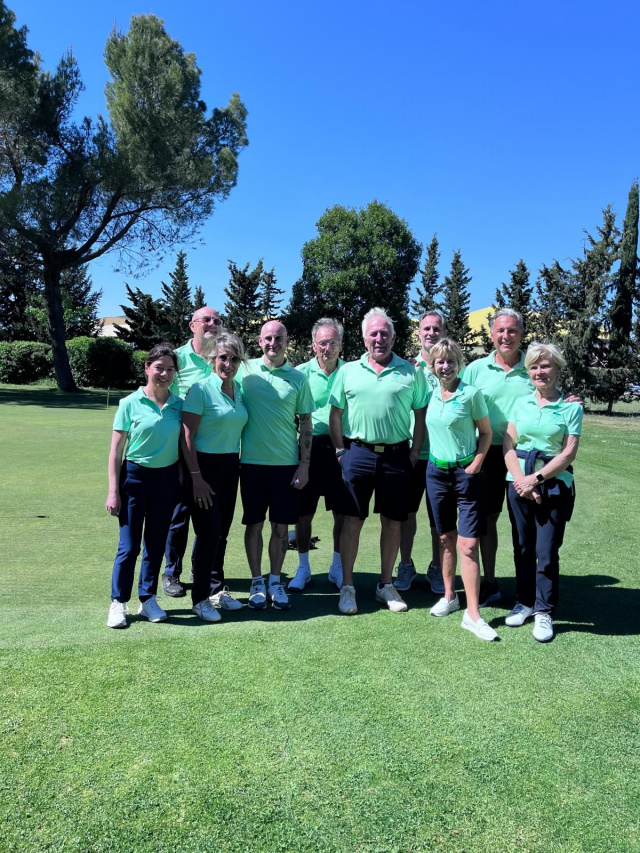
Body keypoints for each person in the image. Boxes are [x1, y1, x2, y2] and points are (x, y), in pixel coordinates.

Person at [329, 308, 428, 615]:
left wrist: (413, 454)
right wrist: (340, 452)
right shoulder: (347, 371)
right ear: (364, 337)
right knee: (352, 522)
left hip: (397, 456)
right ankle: (347, 586)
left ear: (394, 337)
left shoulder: (411, 372)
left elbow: (421, 416)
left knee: (393, 522)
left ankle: (386, 584)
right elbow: (335, 414)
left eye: (385, 333)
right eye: (373, 333)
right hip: (357, 453)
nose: (379, 338)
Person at [503, 343, 582, 642]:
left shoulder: (571, 407)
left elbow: (568, 453)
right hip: (519, 483)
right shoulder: (521, 404)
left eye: (546, 366)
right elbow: (508, 445)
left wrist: (535, 479)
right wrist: (521, 481)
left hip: (554, 485)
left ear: (557, 369)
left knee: (546, 551)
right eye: (534, 366)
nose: (540, 371)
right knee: (522, 547)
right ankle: (524, 601)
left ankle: (544, 610)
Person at [239, 320, 315, 611]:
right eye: (268, 338)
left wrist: (304, 465)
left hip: (286, 465)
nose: (273, 343)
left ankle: (275, 581)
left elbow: (306, 425)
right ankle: (256, 581)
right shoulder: (245, 373)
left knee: (281, 528)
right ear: (260, 341)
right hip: (251, 465)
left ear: (287, 341)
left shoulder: (297, 378)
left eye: (279, 338)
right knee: (254, 525)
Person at [425, 338, 498, 641]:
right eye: (440, 361)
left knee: (467, 545)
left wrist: (477, 463)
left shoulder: (471, 394)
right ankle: (449, 596)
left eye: (451, 361)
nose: (445, 366)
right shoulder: (430, 391)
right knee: (445, 539)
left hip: (466, 472)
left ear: (459, 363)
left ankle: (473, 614)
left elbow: (486, 432)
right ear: (433, 365)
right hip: (436, 472)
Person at [106, 344, 183, 628]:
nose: (164, 373)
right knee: (129, 546)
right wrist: (113, 491)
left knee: (155, 543)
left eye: (170, 369)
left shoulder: (179, 404)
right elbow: (116, 451)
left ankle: (147, 598)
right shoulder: (129, 403)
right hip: (134, 478)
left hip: (166, 480)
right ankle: (118, 602)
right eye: (159, 368)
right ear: (147, 368)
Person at [462, 308, 534, 607]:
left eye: (512, 330)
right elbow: (458, 400)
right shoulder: (476, 369)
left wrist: (568, 397)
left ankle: (528, 589)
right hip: (487, 453)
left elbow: (551, 391)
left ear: (521, 333)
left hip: (524, 455)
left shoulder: (533, 365)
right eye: (500, 331)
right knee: (488, 519)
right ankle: (490, 581)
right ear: (492, 334)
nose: (506, 336)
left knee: (525, 522)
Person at [181, 333, 248, 622]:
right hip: (203, 468)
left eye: (234, 359)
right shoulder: (201, 389)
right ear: (213, 359)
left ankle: (216, 589)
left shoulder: (239, 391)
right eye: (223, 357)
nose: (228, 364)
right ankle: (199, 598)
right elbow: (186, 436)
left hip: (231, 467)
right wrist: (196, 477)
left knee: (221, 533)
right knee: (207, 532)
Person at [162, 306, 222, 597]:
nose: (211, 324)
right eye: (206, 320)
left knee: (208, 515)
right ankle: (171, 573)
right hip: (178, 448)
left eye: (216, 320)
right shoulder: (177, 359)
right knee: (179, 513)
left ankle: (204, 572)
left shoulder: (221, 360)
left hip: (212, 449)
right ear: (192, 325)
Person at [288, 318, 348, 592]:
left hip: (341, 449)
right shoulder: (300, 374)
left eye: (332, 342)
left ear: (340, 345)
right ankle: (303, 568)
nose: (327, 348)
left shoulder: (351, 372)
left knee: (342, 513)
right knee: (303, 514)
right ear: (314, 345)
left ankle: (337, 567)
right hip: (308, 450)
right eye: (322, 343)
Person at [394, 310, 445, 595]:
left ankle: (437, 567)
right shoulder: (409, 367)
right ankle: (406, 564)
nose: (431, 333)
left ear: (444, 332)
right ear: (418, 333)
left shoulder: (453, 366)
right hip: (411, 454)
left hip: (442, 455)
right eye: (426, 328)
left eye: (436, 328)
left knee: (439, 518)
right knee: (406, 514)